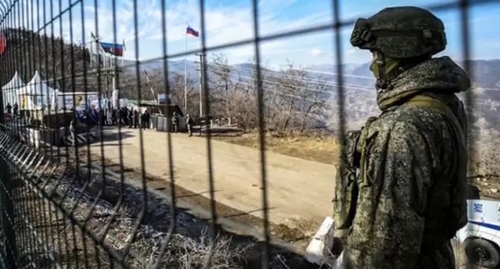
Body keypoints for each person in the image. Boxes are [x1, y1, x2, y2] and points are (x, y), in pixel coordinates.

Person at [332, 6, 469, 269]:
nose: (372, 65)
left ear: (397, 53)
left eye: (375, 54)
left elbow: (380, 252)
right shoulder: (445, 105)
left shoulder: (400, 128)